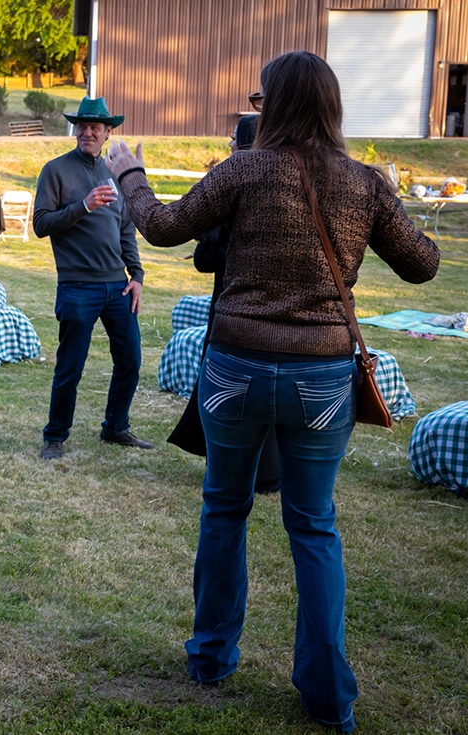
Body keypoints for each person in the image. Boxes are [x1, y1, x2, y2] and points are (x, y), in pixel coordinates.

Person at [108, 51, 439, 731]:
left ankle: (209, 657)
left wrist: (130, 174)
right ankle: (327, 696)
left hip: (235, 367)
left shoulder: (243, 169)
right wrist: (392, 205)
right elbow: (423, 265)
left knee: (223, 510)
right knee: (312, 525)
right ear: (331, 104)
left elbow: (163, 226)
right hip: (323, 378)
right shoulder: (364, 182)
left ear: (275, 104)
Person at [33, 97, 151, 460]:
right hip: (77, 286)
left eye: (95, 127)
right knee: (70, 366)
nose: (87, 132)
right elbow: (41, 224)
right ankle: (55, 436)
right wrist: (84, 205)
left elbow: (126, 229)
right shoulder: (55, 170)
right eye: (82, 126)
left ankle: (115, 427)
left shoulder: (114, 173)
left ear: (107, 132)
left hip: (118, 286)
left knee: (130, 361)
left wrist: (137, 275)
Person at [168, 114, 280, 495]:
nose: (229, 144)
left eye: (234, 137)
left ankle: (237, 470)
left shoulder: (237, 183)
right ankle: (266, 472)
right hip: (273, 316)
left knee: (227, 392)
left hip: (232, 312)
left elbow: (209, 252)